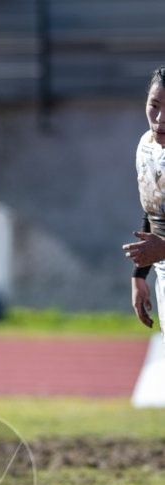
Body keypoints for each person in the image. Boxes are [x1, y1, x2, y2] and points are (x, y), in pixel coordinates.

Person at [125, 65, 165, 336]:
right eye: (154, 105)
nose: (160, 119)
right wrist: (140, 275)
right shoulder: (147, 145)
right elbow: (153, 209)